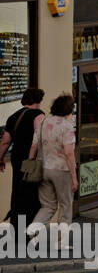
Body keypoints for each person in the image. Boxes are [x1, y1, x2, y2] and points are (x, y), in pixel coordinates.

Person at [27, 93, 77, 250]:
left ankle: (33, 229)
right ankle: (61, 242)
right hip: (62, 170)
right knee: (66, 205)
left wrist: (30, 164)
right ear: (69, 110)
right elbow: (69, 154)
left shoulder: (43, 122)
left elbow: (34, 146)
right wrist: (74, 177)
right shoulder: (66, 127)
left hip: (44, 169)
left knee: (48, 206)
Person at [0, 88, 45, 229]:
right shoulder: (38, 115)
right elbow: (39, 138)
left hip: (17, 158)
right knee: (32, 194)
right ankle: (30, 227)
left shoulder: (13, 117)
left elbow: (5, 142)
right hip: (32, 161)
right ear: (38, 100)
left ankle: (16, 225)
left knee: (18, 191)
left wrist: (0, 158)